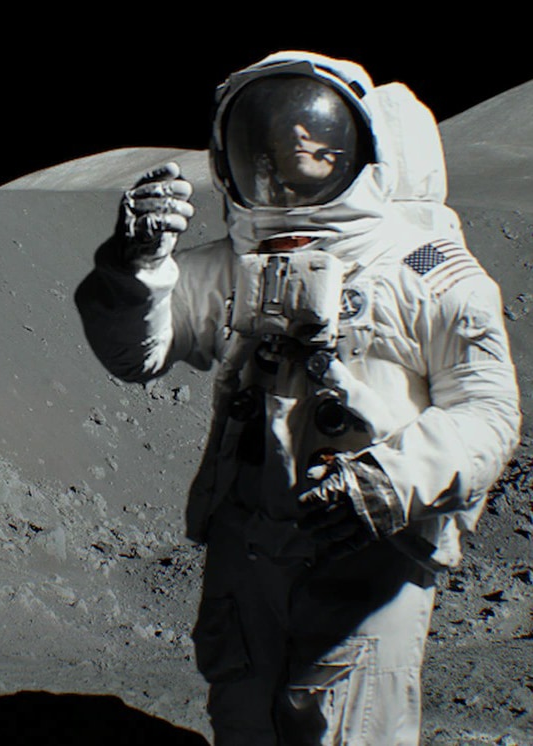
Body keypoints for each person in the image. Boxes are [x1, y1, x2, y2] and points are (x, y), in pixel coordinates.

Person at [74, 51, 520, 745]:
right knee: (244, 714)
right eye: (270, 141)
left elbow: (488, 413)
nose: (291, 153)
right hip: (248, 549)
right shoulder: (233, 265)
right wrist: (135, 269)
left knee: (345, 723)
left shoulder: (429, 272)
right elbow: (137, 354)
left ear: (359, 147)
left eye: (313, 138)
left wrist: (390, 481)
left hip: (365, 548)